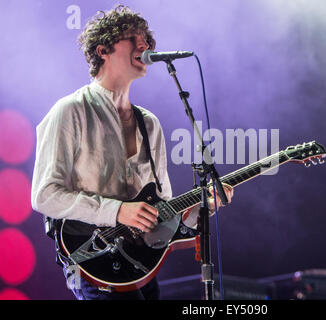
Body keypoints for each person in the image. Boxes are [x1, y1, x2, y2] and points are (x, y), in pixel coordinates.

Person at [31, 5, 233, 300]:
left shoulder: (149, 123)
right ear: (103, 50)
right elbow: (44, 195)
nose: (146, 46)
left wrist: (201, 208)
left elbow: (161, 211)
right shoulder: (70, 111)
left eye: (147, 41)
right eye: (133, 39)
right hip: (95, 260)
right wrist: (117, 211)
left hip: (140, 267)